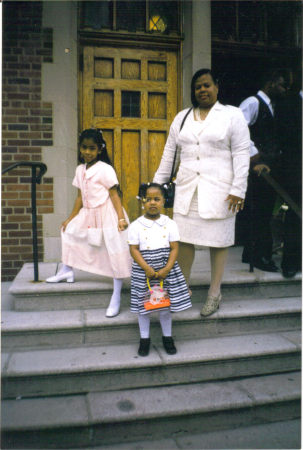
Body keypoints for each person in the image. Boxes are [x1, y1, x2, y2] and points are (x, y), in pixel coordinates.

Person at [153, 68, 250, 317]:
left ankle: (214, 292)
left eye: (207, 85)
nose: (202, 90)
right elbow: (169, 155)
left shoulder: (232, 115)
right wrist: (156, 186)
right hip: (187, 190)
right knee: (184, 240)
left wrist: (238, 188)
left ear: (217, 86)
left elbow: (241, 153)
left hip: (221, 192)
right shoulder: (182, 117)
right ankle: (182, 290)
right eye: (198, 87)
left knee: (218, 242)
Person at [46, 128, 132, 318]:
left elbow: (114, 195)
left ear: (100, 149)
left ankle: (116, 295)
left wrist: (120, 217)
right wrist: (70, 218)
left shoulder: (105, 169)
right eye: (84, 148)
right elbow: (79, 197)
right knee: (68, 231)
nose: (87, 152)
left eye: (92, 149)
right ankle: (67, 270)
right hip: (88, 213)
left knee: (114, 249)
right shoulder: (79, 169)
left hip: (107, 213)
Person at [128, 183, 192, 356]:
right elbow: (133, 249)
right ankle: (144, 339)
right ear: (142, 202)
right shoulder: (136, 225)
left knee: (164, 306)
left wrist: (167, 268)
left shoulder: (170, 224)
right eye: (148, 199)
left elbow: (174, 248)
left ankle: (167, 337)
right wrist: (146, 267)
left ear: (164, 201)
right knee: (144, 306)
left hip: (166, 270)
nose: (152, 203)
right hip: (144, 271)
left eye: (157, 199)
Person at [238, 69, 288, 272]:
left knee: (265, 210)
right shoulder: (253, 102)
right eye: (281, 85)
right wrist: (253, 155)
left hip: (270, 168)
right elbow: (238, 128)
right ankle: (259, 256)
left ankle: (252, 252)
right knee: (260, 212)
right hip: (258, 168)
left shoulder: (274, 106)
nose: (284, 89)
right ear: (270, 84)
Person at [275, 74, 302, 278]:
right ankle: (291, 262)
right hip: (296, 169)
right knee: (295, 215)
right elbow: (282, 138)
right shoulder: (288, 104)